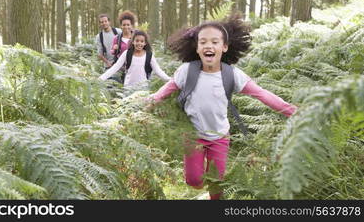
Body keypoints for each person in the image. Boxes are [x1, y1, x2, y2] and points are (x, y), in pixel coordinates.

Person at [146, 14, 297, 200]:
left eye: (214, 42)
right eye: (203, 42)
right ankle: (201, 185)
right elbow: (166, 89)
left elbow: (262, 94)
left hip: (220, 137)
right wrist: (149, 101)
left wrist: (291, 111)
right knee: (193, 181)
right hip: (193, 136)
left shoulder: (232, 74)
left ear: (224, 47)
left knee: (217, 183)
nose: (209, 46)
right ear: (197, 47)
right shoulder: (187, 71)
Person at [99, 30, 171, 88]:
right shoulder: (127, 53)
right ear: (133, 41)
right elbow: (115, 67)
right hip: (128, 88)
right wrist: (101, 78)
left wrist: (169, 79)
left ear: (145, 43)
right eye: (137, 41)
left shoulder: (149, 55)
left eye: (142, 41)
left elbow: (158, 70)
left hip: (143, 89)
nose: (139, 43)